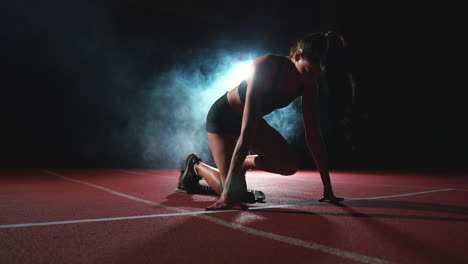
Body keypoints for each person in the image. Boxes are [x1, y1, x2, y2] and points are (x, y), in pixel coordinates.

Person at [179, 31, 345, 210]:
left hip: (251, 122)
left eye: (316, 76)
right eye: (309, 72)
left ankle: (240, 165)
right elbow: (247, 131)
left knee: (290, 165)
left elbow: (314, 135)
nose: (311, 80)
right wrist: (227, 195)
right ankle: (196, 166)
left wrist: (327, 188)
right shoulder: (267, 66)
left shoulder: (309, 83)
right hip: (223, 119)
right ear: (298, 56)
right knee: (235, 193)